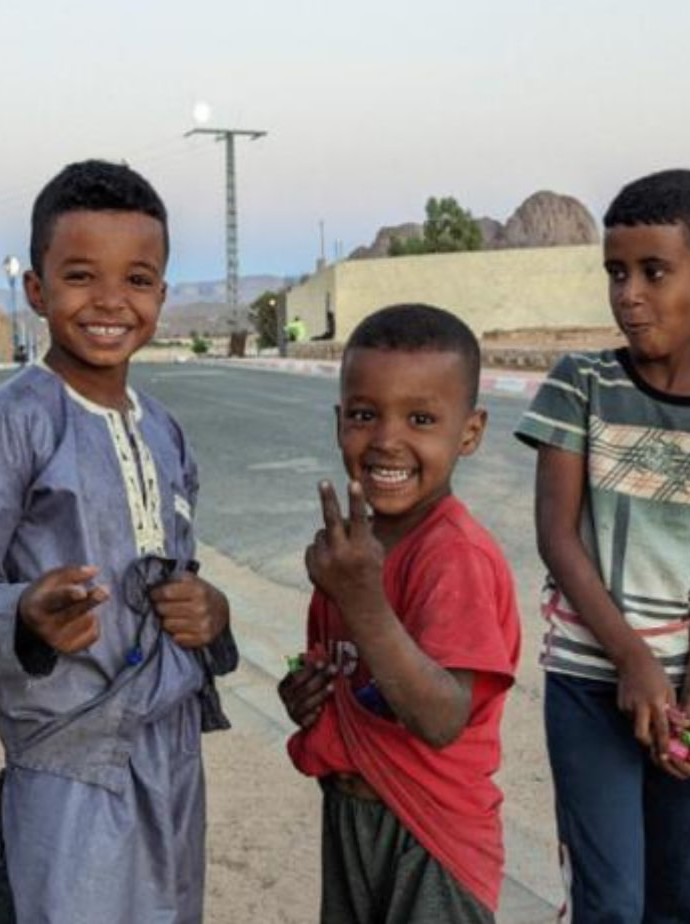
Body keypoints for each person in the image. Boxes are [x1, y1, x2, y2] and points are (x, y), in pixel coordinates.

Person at [0, 159, 238, 924]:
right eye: (80, 276)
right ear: (37, 289)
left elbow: (181, 571)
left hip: (170, 745)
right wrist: (23, 614)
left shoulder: (165, 431)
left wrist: (213, 611)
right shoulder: (13, 424)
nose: (110, 301)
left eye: (137, 279)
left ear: (161, 294)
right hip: (68, 754)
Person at [514, 169, 690, 924]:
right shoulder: (581, 384)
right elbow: (557, 536)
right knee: (611, 902)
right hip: (590, 677)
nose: (628, 294)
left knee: (679, 899)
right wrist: (634, 663)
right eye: (616, 272)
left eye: (653, 272)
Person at [281, 303, 522, 923]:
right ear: (340, 421)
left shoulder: (454, 556)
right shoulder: (352, 553)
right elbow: (341, 671)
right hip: (353, 815)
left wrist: (362, 599)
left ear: (469, 432)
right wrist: (304, 693)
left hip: (430, 835)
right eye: (365, 415)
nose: (388, 439)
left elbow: (440, 718)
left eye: (421, 419)